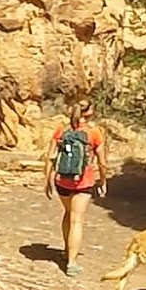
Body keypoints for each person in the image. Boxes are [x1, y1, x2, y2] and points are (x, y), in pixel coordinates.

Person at [43, 101, 108, 275]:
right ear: (88, 113)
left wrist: (48, 179)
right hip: (83, 182)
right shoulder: (94, 133)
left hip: (62, 180)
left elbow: (50, 157)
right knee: (77, 220)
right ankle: (72, 262)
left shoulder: (61, 131)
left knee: (68, 213)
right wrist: (103, 180)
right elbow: (102, 162)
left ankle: (66, 250)